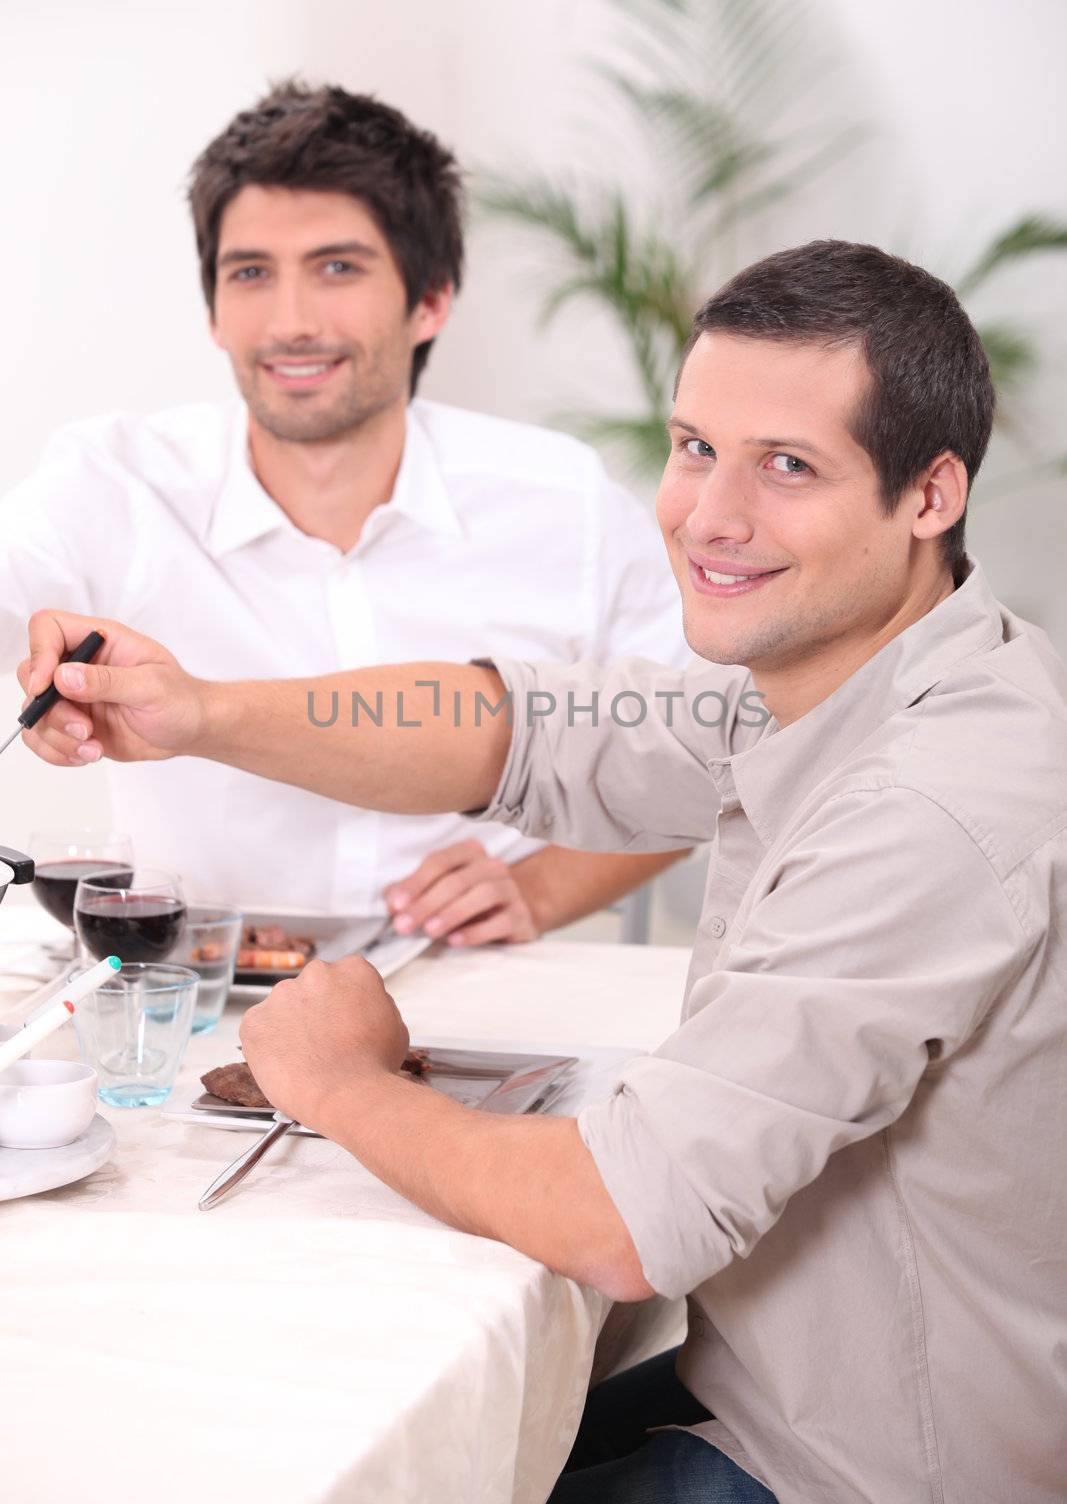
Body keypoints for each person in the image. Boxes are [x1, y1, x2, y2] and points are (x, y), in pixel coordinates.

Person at [18, 240, 1067, 1503]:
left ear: (928, 493)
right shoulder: (874, 680)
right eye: (694, 449)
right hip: (774, 1385)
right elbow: (526, 726)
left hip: (856, 1467)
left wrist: (338, 1081)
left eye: (786, 466)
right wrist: (196, 710)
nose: (708, 516)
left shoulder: (929, 805)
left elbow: (625, 1220)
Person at [0, 80, 691, 943]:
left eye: (337, 268)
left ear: (430, 298)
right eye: (250, 273)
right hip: (186, 990)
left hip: (476, 990)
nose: (291, 322)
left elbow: (703, 749)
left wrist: (544, 888)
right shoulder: (113, 483)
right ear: (214, 309)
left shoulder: (564, 505)